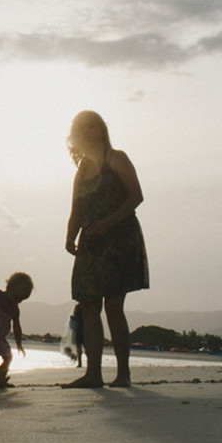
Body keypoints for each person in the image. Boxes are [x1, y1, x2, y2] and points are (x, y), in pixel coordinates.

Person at [62, 110, 149, 388]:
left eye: (92, 127)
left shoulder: (117, 158)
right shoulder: (82, 169)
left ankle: (123, 374)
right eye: (82, 129)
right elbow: (76, 208)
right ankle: (93, 374)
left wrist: (107, 223)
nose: (88, 132)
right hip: (91, 240)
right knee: (89, 305)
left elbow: (136, 196)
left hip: (120, 238)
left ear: (101, 130)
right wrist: (70, 235)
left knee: (113, 306)